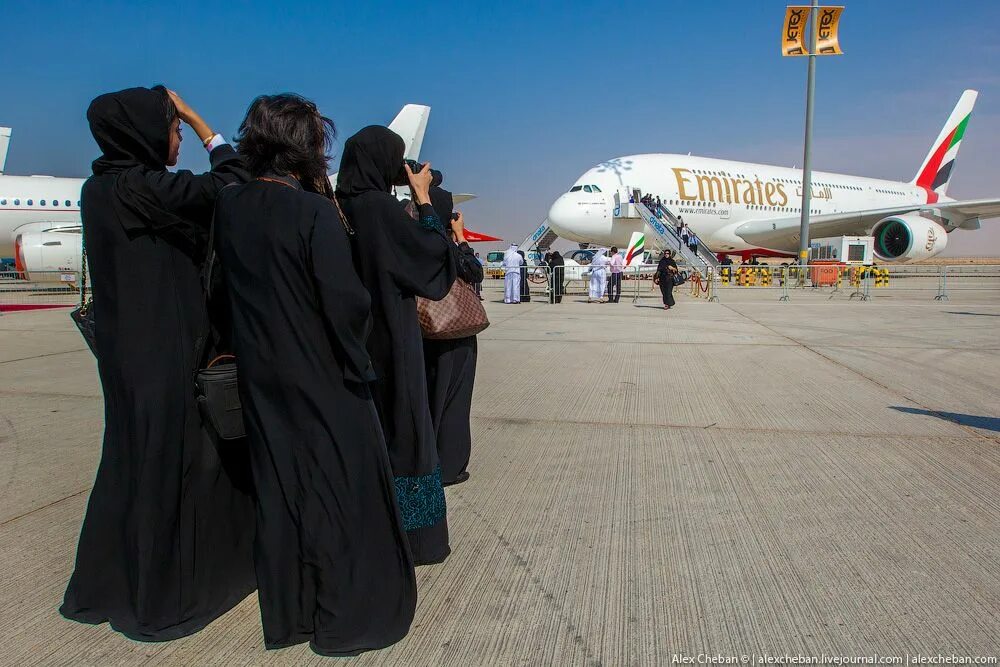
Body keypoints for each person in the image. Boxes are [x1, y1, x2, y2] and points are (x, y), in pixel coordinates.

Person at [214, 95, 416, 656]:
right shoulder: (311, 213)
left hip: (261, 373)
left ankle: (292, 613)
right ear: (305, 148)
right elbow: (346, 303)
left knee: (283, 491)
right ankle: (348, 617)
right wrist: (359, 359)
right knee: (341, 491)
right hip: (321, 373)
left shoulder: (230, 206)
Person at [60, 86, 256, 641]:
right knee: (177, 464)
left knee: (132, 462)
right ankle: (165, 593)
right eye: (170, 130)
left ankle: (111, 584)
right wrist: (203, 124)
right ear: (145, 133)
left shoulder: (101, 188)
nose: (177, 141)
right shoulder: (141, 187)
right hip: (165, 354)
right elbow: (230, 184)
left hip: (127, 357)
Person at [336, 126, 457, 566]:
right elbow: (432, 261)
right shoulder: (379, 208)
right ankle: (416, 537)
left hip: (349, 340)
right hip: (391, 335)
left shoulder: (334, 206)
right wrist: (424, 199)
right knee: (405, 429)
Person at [424, 185, 482, 487]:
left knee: (430, 397)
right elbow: (474, 272)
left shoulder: (414, 235)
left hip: (424, 331)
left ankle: (428, 461)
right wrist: (461, 238)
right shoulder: (444, 243)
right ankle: (451, 465)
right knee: (455, 400)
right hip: (455, 331)